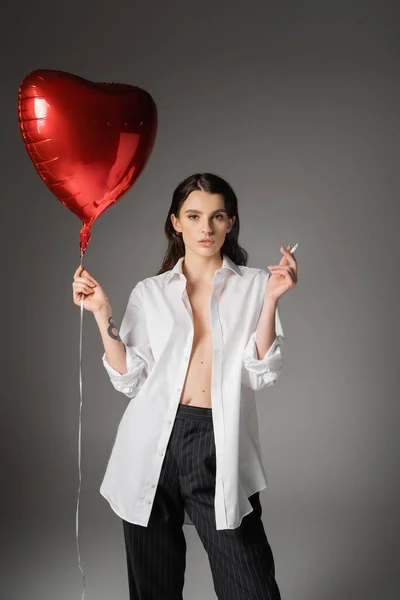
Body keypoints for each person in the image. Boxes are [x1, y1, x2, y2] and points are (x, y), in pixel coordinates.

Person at [72, 173, 298, 600]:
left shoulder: (255, 285)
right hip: (151, 439)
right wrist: (103, 313)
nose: (205, 228)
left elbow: (260, 371)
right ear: (176, 222)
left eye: (216, 217)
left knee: (249, 584)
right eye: (194, 216)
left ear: (231, 222)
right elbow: (131, 379)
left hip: (218, 437)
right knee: (153, 585)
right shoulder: (150, 292)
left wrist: (271, 301)